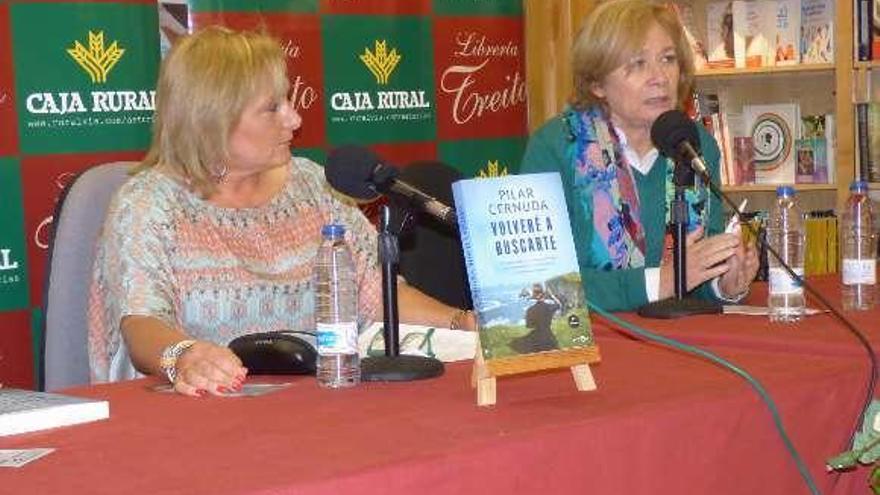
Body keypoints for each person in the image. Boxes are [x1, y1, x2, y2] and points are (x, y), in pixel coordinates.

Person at [87, 26, 474, 397]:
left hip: (321, 407)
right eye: (272, 108)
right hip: (199, 411)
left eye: (288, 100)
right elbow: (141, 325)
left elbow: (376, 296)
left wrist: (462, 323)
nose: (295, 119)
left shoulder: (314, 186)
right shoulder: (148, 203)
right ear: (213, 121)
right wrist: (184, 356)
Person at [519, 0, 758, 312]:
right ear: (597, 83)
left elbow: (693, 280)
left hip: (680, 342)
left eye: (668, 59)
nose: (659, 77)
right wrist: (660, 281)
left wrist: (724, 284)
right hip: (595, 344)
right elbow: (541, 284)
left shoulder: (694, 145)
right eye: (637, 64)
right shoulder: (555, 148)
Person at [510, 283, 561, 354]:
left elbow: (529, 326)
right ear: (544, 294)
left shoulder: (530, 310)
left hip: (536, 337)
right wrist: (552, 296)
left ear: (534, 295)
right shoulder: (549, 307)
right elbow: (559, 304)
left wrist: (528, 317)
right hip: (548, 336)